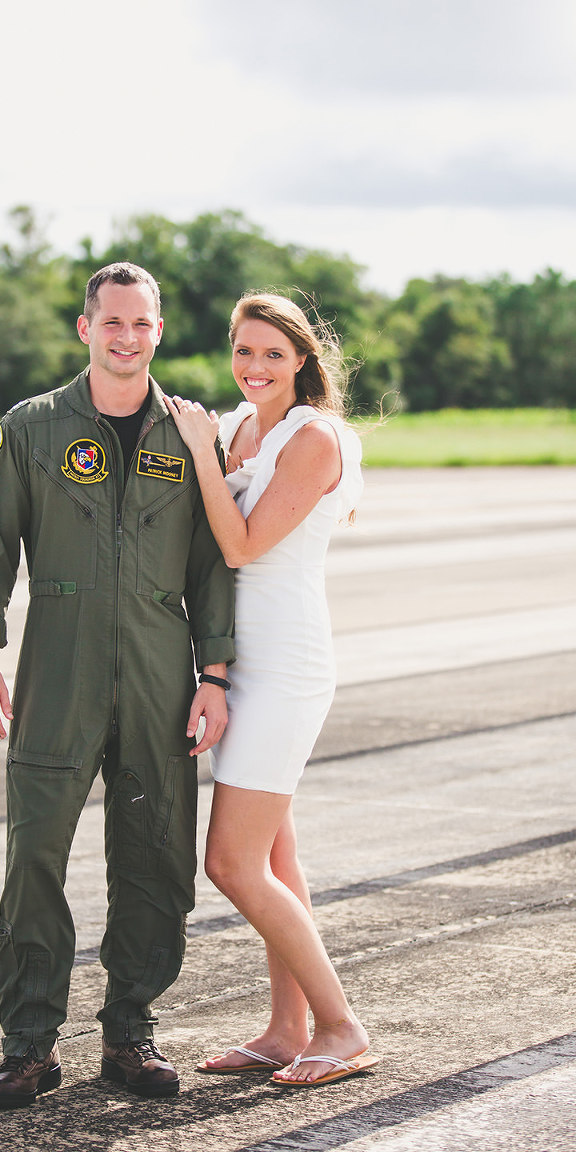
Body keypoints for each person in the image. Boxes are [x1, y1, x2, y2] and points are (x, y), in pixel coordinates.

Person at [0, 262, 235, 1107]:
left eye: (141, 324)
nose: (127, 337)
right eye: (111, 322)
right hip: (59, 663)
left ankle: (131, 1034)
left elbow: (216, 559)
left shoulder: (191, 434)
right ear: (86, 329)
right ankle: (28, 1045)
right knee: (35, 851)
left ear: (159, 330)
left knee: (153, 855)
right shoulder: (33, 427)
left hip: (160, 665)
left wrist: (215, 672)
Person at [164, 292, 378, 1087]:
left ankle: (341, 1025)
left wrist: (198, 452)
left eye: (273, 355)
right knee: (277, 861)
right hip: (230, 662)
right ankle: (289, 1028)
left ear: (303, 362)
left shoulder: (313, 437)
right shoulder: (230, 428)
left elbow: (245, 546)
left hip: (285, 665)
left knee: (231, 863)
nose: (254, 367)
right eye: (243, 351)